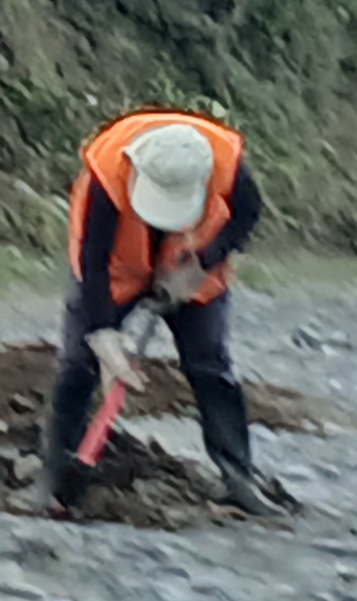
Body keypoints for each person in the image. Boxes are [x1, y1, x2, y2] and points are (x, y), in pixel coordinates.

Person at [43, 110, 271, 515]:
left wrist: (204, 262)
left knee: (210, 365)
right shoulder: (106, 174)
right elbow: (92, 263)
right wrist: (103, 335)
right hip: (116, 272)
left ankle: (239, 479)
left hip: (190, 268)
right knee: (78, 365)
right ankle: (55, 480)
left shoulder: (227, 163)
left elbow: (246, 215)